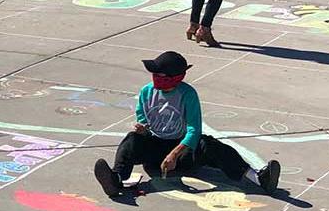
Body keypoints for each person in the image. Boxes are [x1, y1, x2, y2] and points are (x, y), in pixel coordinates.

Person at [94, 51, 281, 198]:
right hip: (155, 149)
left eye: (160, 75)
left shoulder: (187, 94)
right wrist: (143, 127)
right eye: (154, 74)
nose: (155, 78)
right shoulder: (146, 91)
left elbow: (194, 129)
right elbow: (142, 114)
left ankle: (259, 178)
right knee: (132, 139)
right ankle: (115, 179)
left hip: (183, 150)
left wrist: (175, 153)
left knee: (211, 145)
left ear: (174, 78)